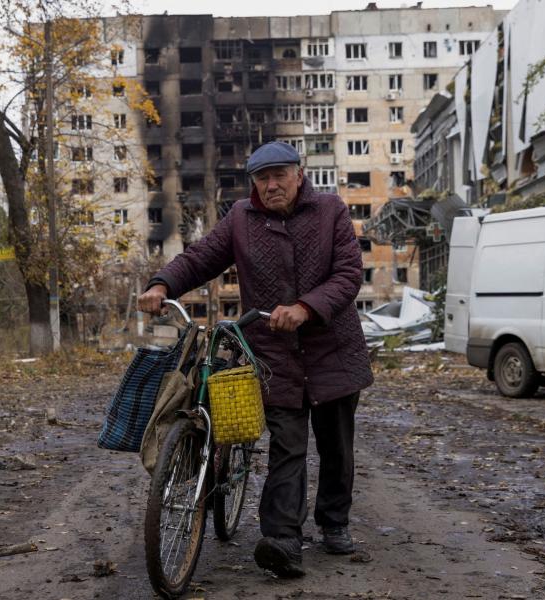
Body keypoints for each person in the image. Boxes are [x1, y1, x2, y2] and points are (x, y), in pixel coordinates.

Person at [138, 141, 374, 578]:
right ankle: (283, 540)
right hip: (273, 355)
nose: (271, 185)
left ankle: (334, 520)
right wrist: (162, 284)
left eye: (279, 175)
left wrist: (305, 307)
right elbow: (200, 257)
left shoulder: (331, 212)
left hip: (332, 350)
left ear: (298, 174)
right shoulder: (241, 220)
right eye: (262, 179)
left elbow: (348, 275)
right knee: (288, 446)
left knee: (336, 445)